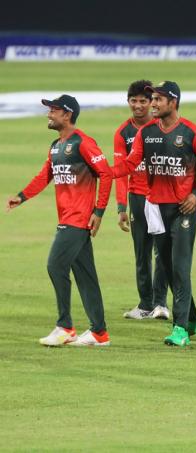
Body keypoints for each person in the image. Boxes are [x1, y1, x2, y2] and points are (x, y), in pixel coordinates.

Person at [113, 81, 196, 347]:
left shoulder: (192, 132)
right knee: (169, 269)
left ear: (174, 102)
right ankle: (192, 318)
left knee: (180, 267)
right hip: (155, 207)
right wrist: (101, 169)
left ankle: (180, 329)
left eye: (158, 99)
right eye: (153, 99)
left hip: (183, 209)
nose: (153, 103)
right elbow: (130, 163)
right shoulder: (146, 132)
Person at [7, 94, 113, 346]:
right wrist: (21, 197)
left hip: (77, 219)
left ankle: (65, 327)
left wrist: (98, 212)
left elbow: (106, 174)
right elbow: (44, 176)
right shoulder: (56, 146)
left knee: (55, 266)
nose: (49, 114)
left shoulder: (83, 143)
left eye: (53, 110)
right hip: (67, 217)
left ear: (67, 114)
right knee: (86, 275)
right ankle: (99, 333)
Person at [114, 80, 170, 321]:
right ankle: (145, 303)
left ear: (152, 102)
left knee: (163, 252)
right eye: (133, 101)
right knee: (142, 252)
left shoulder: (163, 127)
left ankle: (161, 304)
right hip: (136, 197)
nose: (138, 105)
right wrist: (121, 207)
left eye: (143, 101)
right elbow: (120, 171)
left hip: (161, 197)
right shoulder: (123, 133)